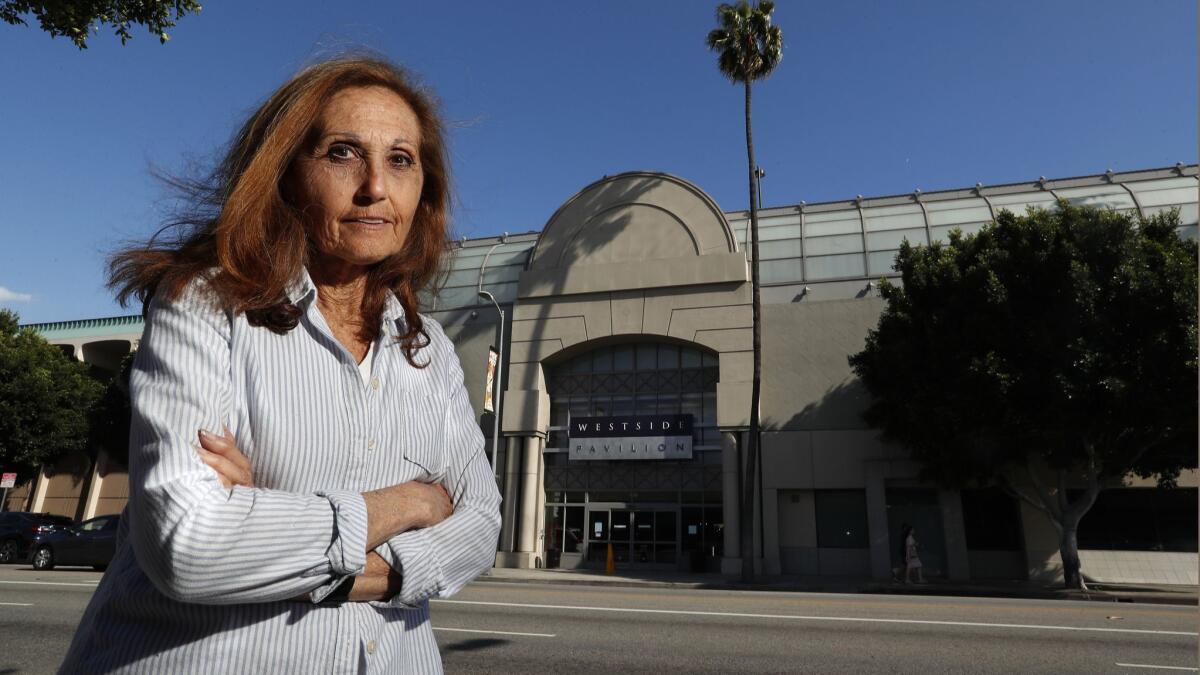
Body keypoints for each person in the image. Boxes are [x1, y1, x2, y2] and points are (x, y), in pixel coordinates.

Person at [60, 57, 502, 674]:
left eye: (401, 159)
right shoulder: (209, 302)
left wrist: (288, 540)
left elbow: (481, 527)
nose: (376, 186)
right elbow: (186, 543)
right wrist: (409, 504)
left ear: (424, 187)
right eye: (343, 153)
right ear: (286, 173)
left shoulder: (426, 347)